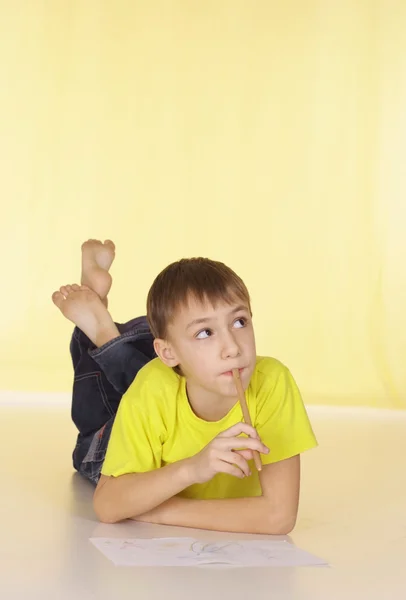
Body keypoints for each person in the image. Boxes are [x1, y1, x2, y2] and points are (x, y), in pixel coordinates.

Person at [52, 239, 317, 534]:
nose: (232, 348)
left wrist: (159, 511)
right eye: (206, 332)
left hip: (169, 382)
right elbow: (108, 504)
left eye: (240, 322)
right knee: (94, 438)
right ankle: (97, 324)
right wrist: (193, 468)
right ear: (167, 352)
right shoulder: (153, 386)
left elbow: (278, 518)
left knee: (155, 371)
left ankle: (101, 318)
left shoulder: (272, 381)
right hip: (134, 442)